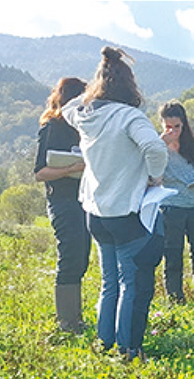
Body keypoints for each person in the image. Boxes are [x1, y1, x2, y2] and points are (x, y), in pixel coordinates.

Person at [63, 47, 168, 361]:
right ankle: (129, 349)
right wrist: (154, 178)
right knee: (132, 283)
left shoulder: (84, 114)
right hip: (126, 212)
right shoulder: (129, 117)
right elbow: (155, 148)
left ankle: (104, 342)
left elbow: (68, 104)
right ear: (130, 85)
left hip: (95, 212)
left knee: (109, 282)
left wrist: (93, 88)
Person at [34, 77, 89, 332]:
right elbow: (40, 173)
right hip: (62, 200)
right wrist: (72, 168)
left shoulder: (85, 128)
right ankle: (66, 322)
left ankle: (75, 317)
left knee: (81, 257)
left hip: (84, 200)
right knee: (70, 255)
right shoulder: (51, 128)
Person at [158, 101, 194, 304]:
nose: (173, 131)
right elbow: (152, 175)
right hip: (171, 207)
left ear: (184, 125)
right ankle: (175, 300)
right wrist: (161, 145)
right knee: (172, 255)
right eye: (168, 127)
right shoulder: (157, 147)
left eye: (177, 126)